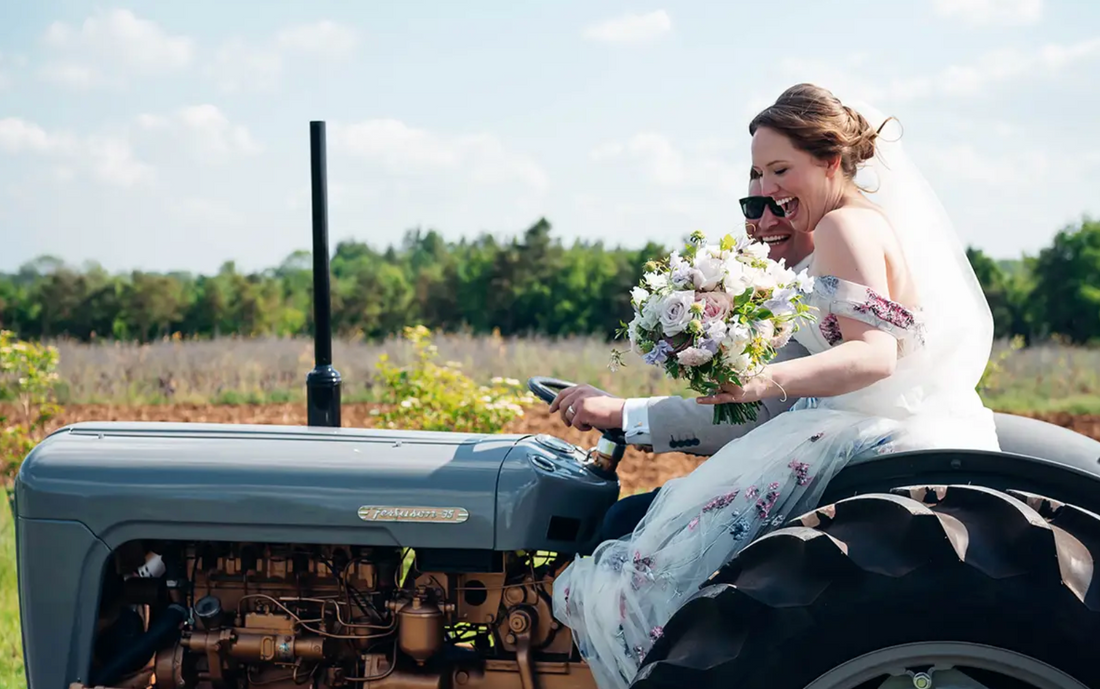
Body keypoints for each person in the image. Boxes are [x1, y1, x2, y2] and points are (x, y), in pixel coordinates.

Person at [551, 83, 1001, 689]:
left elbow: (873, 356)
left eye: (781, 169)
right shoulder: (859, 228)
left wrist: (760, 378)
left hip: (862, 430)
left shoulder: (844, 227)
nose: (766, 189)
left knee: (652, 560)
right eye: (758, 173)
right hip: (870, 422)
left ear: (831, 161)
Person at [551, 174, 816, 550]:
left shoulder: (803, 303)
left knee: (623, 522)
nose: (768, 220)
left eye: (783, 205)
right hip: (762, 464)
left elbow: (757, 414)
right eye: (755, 206)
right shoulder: (766, 290)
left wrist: (625, 414)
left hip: (787, 475)